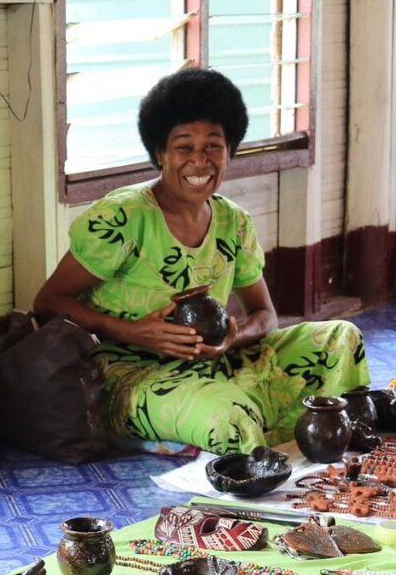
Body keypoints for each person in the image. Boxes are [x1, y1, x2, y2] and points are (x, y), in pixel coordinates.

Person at [34, 67, 370, 455]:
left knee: (341, 337)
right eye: (183, 147)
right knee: (228, 417)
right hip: (132, 376)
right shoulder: (122, 218)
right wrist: (133, 332)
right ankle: (265, 448)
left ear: (230, 152)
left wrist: (233, 337)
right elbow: (48, 302)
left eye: (213, 146)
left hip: (217, 364)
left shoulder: (234, 222)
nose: (199, 161)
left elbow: (265, 316)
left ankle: (331, 446)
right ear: (160, 154)